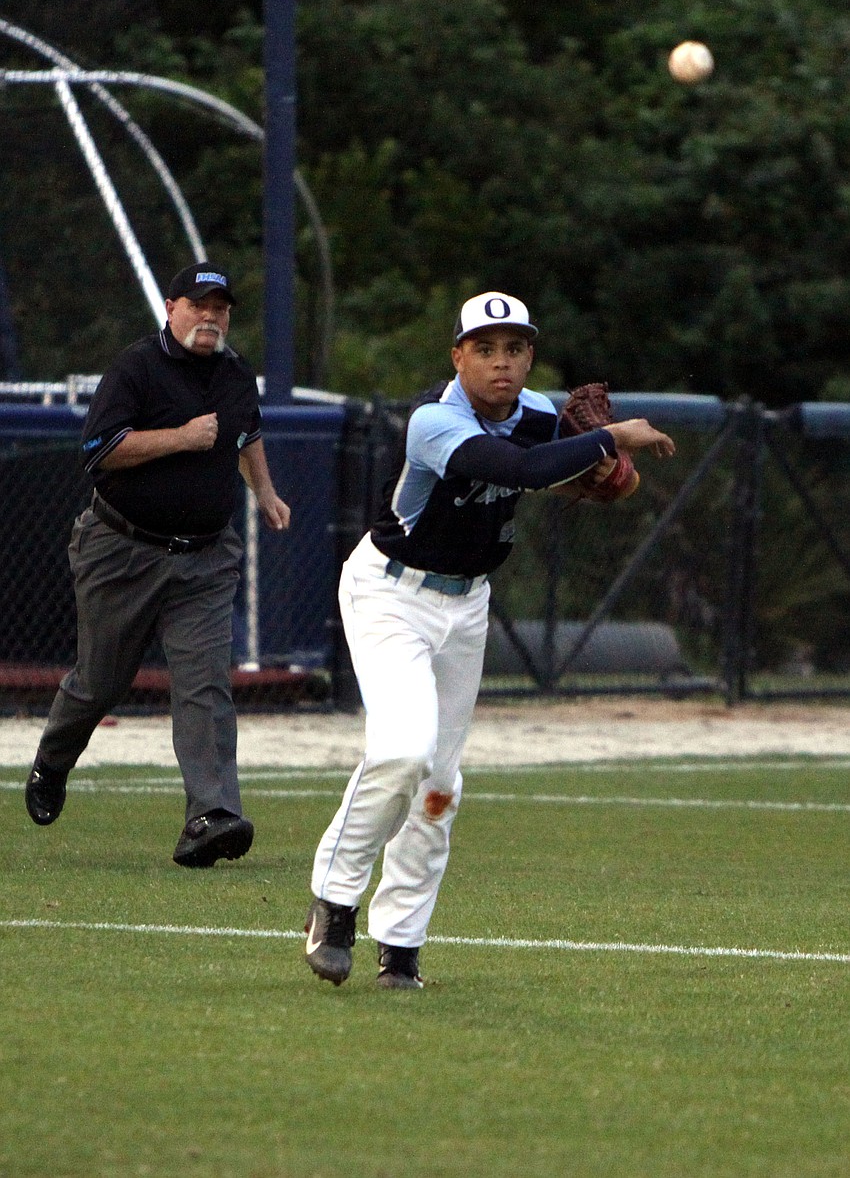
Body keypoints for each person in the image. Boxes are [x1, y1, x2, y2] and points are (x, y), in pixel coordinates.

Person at [304, 291, 676, 988]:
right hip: (392, 593)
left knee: (440, 783)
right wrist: (610, 439)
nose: (501, 362)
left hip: (467, 604)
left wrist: (591, 476)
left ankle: (402, 947)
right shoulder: (432, 420)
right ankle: (334, 896)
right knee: (401, 749)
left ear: (529, 355)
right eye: (485, 348)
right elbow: (518, 469)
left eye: (515, 349)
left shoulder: (538, 411)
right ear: (458, 356)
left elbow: (554, 469)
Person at [24, 262, 291, 867]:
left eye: (221, 309)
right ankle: (53, 759)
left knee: (204, 685)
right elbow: (99, 453)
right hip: (122, 550)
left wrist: (266, 494)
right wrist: (180, 436)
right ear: (171, 308)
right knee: (102, 682)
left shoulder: (234, 371)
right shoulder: (137, 368)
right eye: (199, 306)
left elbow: (247, 435)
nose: (210, 318)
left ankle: (210, 814)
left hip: (204, 557)